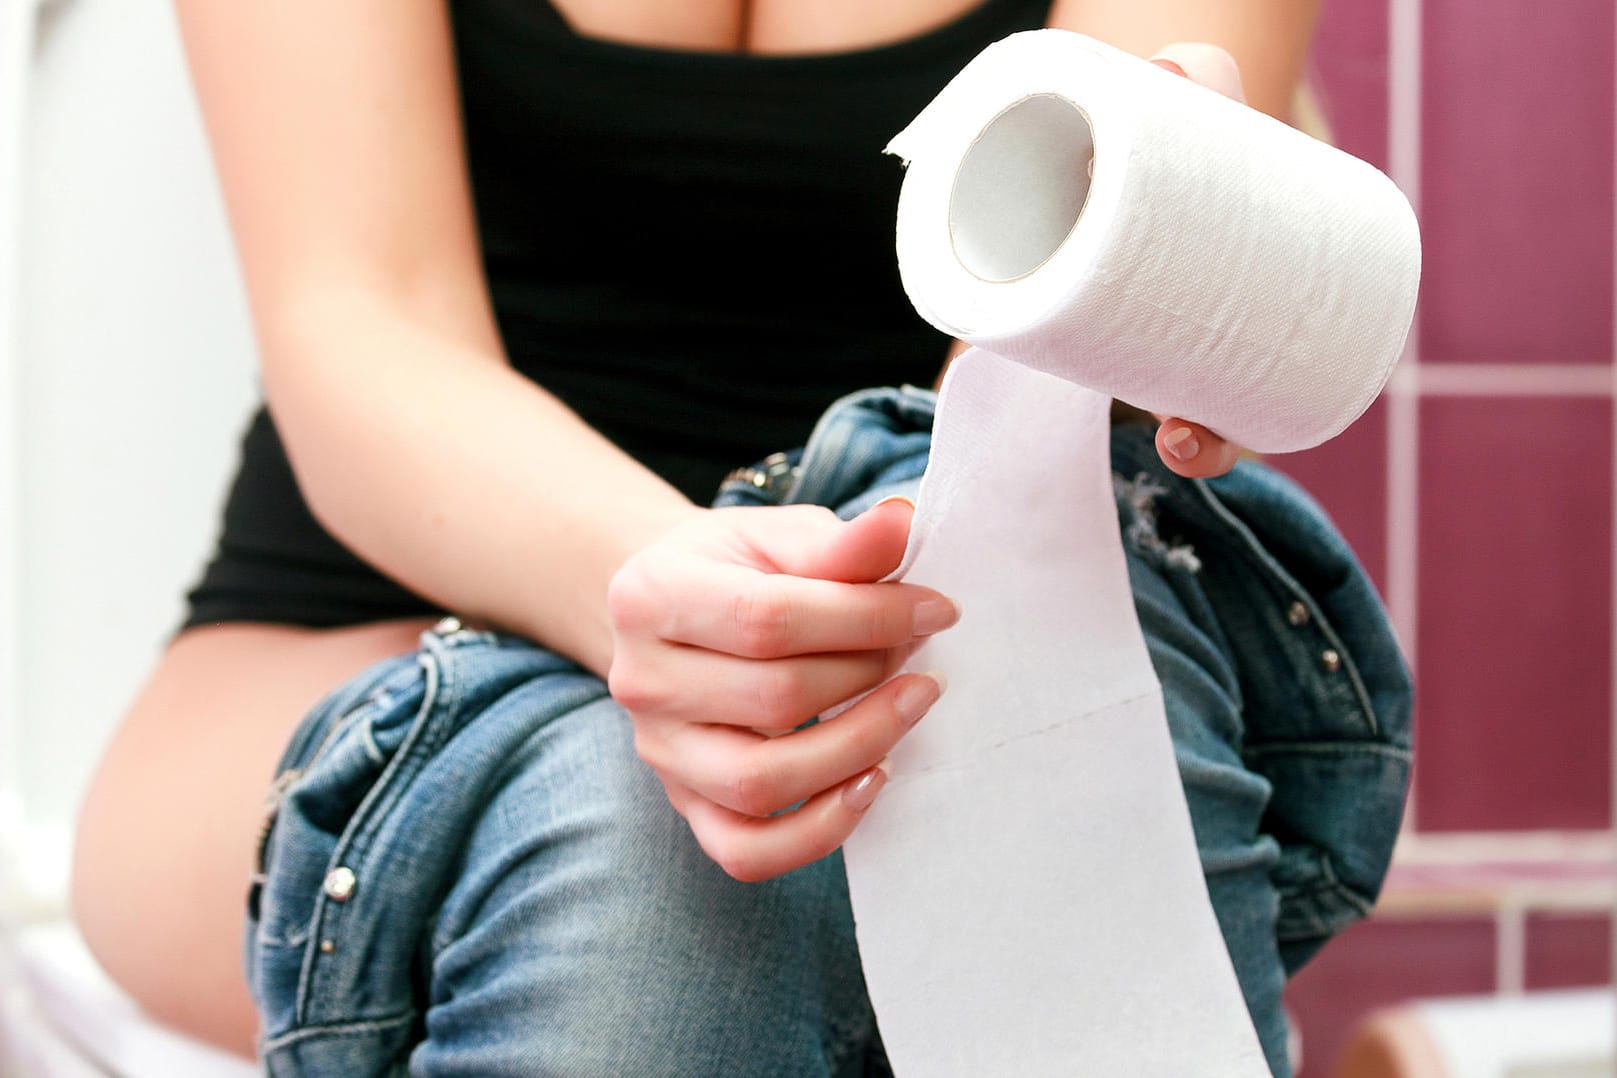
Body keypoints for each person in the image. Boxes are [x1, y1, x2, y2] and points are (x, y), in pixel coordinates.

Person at [71, 1, 1410, 1075]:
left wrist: (1177, 281)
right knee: (647, 850)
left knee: (693, 874)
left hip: (931, 610)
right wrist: (680, 601)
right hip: (387, 599)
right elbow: (365, 325)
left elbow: (1044, 364)